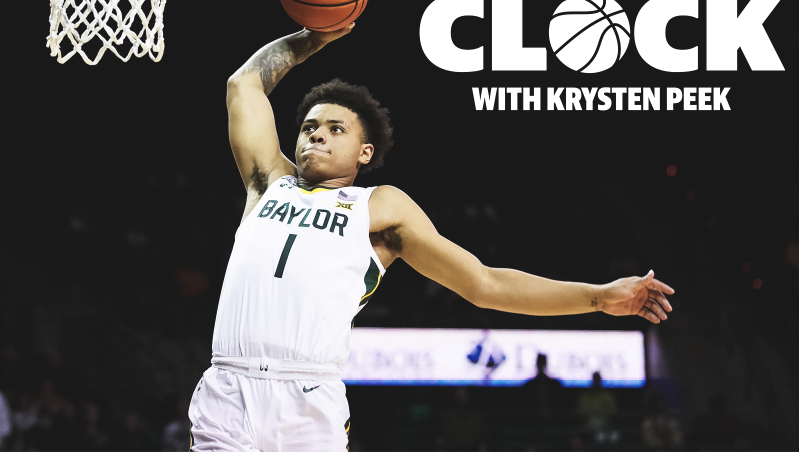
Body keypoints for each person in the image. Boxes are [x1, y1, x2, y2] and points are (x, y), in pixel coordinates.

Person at [187, 25, 676, 451]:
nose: (317, 135)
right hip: (229, 386)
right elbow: (243, 83)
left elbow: (485, 283)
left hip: (308, 399)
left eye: (336, 129)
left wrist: (596, 298)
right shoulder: (268, 181)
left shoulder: (379, 207)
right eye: (310, 126)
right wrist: (312, 37)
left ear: (364, 152)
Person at [576, 372, 620, 443]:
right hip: (588, 429)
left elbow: (613, 412)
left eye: (598, 379)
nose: (596, 381)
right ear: (592, 380)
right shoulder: (585, 397)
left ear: (600, 380)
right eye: (595, 379)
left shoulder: (608, 396)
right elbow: (580, 413)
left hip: (605, 428)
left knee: (612, 436)